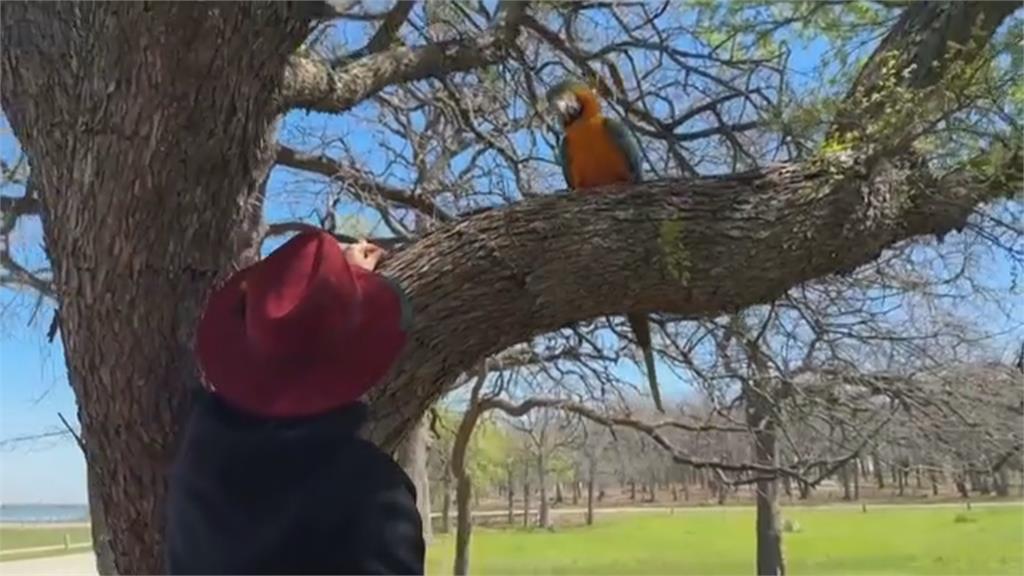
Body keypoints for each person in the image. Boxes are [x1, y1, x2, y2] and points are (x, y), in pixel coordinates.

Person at [165, 228, 424, 575]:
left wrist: (335, 285)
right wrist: (345, 289)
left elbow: (291, 331)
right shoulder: (372, 495)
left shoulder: (196, 469)